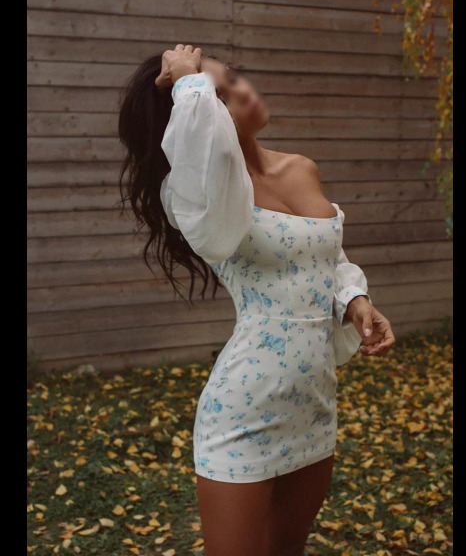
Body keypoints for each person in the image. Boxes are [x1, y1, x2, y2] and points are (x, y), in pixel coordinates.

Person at [119, 44, 396, 556]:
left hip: (315, 404)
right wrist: (189, 84)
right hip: (243, 414)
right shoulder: (197, 199)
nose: (244, 93)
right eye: (222, 96)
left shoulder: (301, 168)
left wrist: (355, 299)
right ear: (189, 114)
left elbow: (324, 256)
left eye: (234, 79)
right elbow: (212, 157)